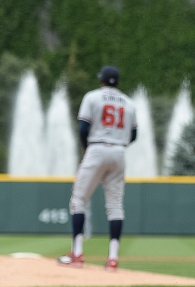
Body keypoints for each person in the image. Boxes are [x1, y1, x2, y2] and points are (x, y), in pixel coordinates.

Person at [56, 66, 137, 271]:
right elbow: (134, 135)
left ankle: (77, 253)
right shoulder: (129, 103)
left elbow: (83, 127)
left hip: (97, 148)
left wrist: (86, 148)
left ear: (101, 80)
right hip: (119, 153)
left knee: (78, 200)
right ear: (117, 82)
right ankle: (112, 259)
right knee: (115, 206)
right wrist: (117, 142)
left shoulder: (92, 97)